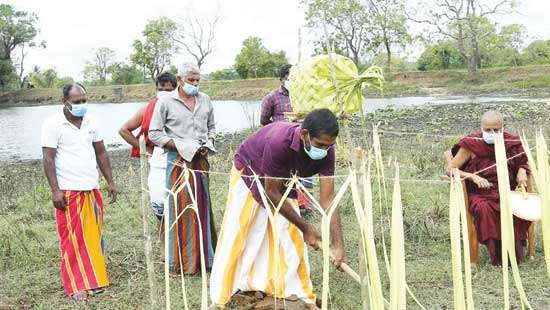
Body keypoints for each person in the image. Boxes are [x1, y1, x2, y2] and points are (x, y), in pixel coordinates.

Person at [210, 109, 347, 308]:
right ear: (304, 134)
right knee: (243, 231)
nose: (324, 150)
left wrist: (338, 244)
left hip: (283, 179)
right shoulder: (279, 142)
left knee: (289, 236)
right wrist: (306, 227)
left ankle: (293, 291)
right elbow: (271, 193)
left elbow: (328, 199)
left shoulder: (327, 151)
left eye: (329, 146)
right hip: (251, 171)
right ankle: (226, 293)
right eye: (320, 145)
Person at [41, 83, 117, 301]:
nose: (82, 105)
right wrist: (55, 191)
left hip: (91, 188)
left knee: (93, 237)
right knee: (72, 240)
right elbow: (48, 159)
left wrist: (110, 181)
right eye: (77, 102)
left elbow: (101, 152)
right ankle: (76, 286)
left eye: (84, 100)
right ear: (65, 102)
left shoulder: (92, 122)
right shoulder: (52, 124)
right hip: (68, 192)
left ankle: (94, 280)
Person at [148, 62, 217, 274]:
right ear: (180, 80)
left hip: (201, 161)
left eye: (197, 81)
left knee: (202, 206)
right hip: (177, 162)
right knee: (180, 209)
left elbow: (212, 127)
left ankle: (206, 259)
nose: (194, 84)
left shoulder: (205, 99)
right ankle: (182, 262)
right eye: (191, 81)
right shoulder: (166, 102)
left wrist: (208, 142)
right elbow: (154, 134)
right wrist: (181, 146)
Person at [444, 110, 531, 267]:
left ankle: (514, 251)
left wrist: (522, 170)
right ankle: (497, 256)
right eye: (488, 130)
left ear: (503, 127)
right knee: (484, 209)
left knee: (514, 208)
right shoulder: (471, 143)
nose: (492, 133)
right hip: (480, 193)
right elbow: (450, 169)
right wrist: (472, 176)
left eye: (496, 130)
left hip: (507, 190)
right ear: (481, 128)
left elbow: (524, 162)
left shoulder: (511, 142)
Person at [118, 72, 176, 221]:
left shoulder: (182, 109)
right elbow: (123, 130)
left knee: (179, 204)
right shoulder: (146, 109)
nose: (165, 93)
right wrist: (144, 149)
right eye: (161, 89)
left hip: (178, 158)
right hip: (157, 160)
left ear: (175, 90)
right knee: (159, 206)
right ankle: (163, 238)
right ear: (156, 90)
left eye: (169, 90)